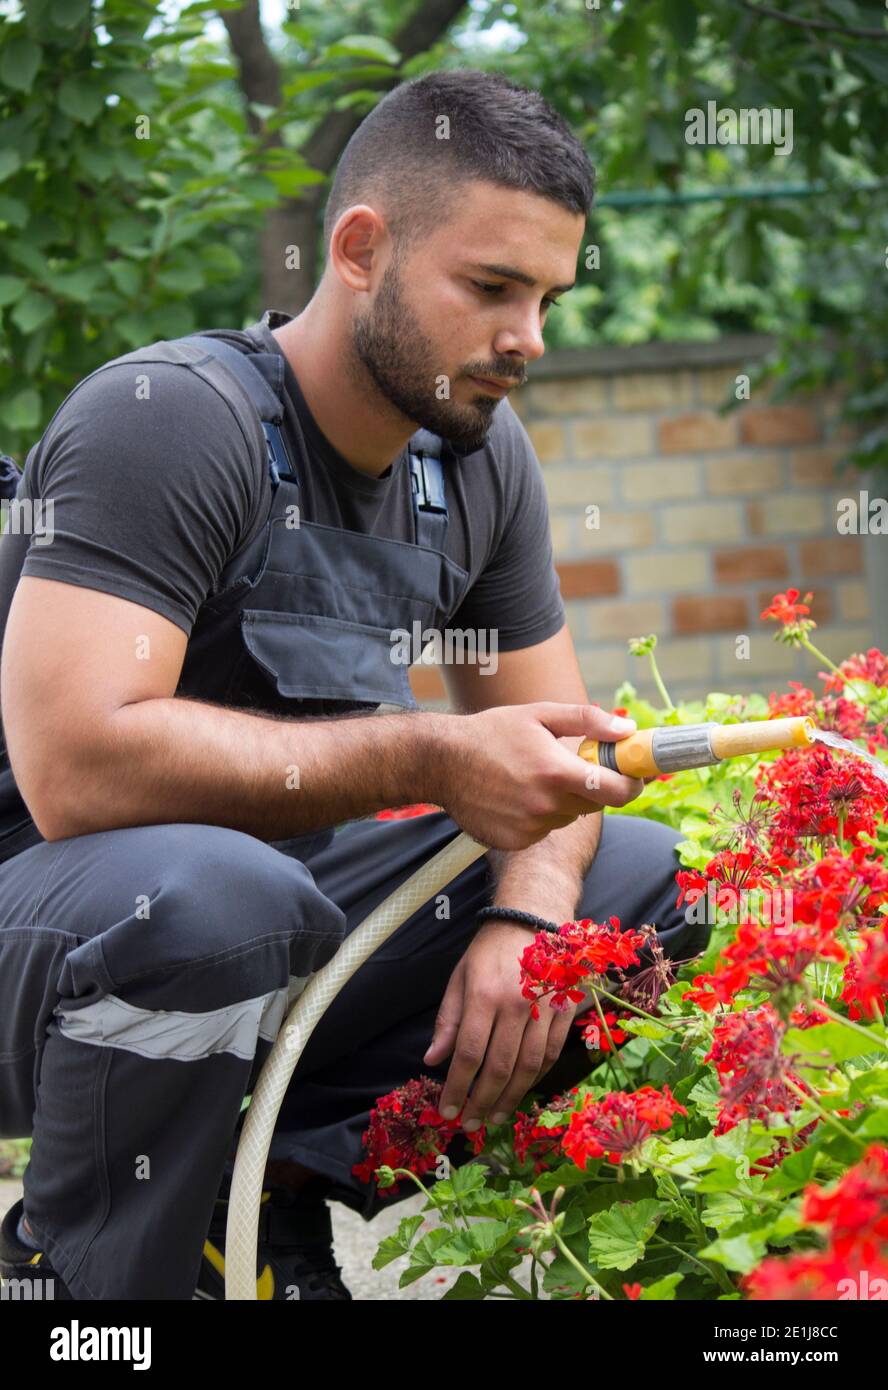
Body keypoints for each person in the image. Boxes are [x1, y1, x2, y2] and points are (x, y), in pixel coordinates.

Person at [0, 68, 708, 1302]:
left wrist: (528, 920)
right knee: (223, 895)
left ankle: (271, 1201)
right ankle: (80, 1279)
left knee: (631, 888)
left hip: (258, 923)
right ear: (362, 249)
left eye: (546, 296)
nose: (528, 339)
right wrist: (433, 756)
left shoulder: (480, 469)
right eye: (492, 288)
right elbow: (76, 773)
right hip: (54, 931)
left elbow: (569, 763)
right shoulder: (173, 421)